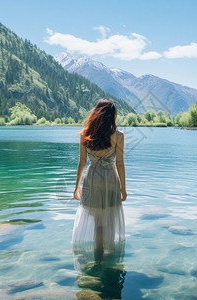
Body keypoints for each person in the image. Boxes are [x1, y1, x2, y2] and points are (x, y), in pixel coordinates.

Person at [72, 98, 126, 264]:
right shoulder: (118, 136)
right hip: (110, 178)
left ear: (96, 114)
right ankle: (107, 256)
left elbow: (82, 162)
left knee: (98, 222)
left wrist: (77, 186)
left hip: (93, 179)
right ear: (112, 116)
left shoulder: (84, 135)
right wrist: (123, 188)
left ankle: (98, 255)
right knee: (108, 216)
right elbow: (120, 163)